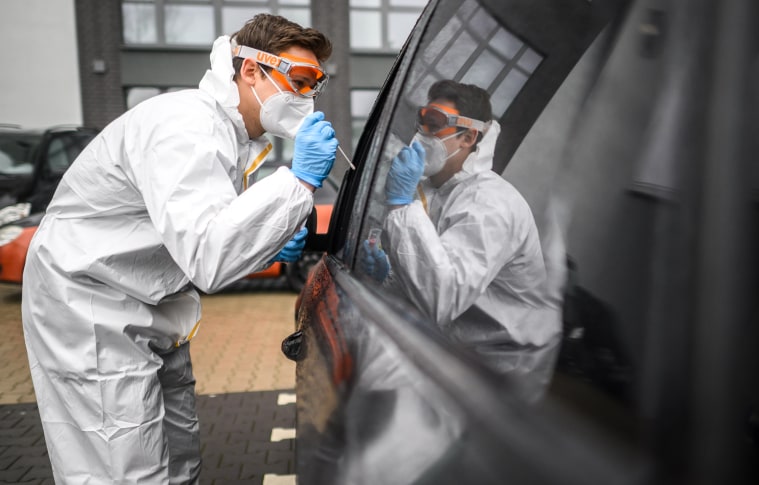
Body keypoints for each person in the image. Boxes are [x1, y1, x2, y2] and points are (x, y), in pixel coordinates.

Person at [21, 14, 336, 483]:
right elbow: (209, 256)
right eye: (300, 79)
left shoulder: (228, 133)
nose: (308, 95)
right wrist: (299, 181)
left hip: (150, 306)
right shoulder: (187, 126)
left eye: (316, 83)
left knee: (177, 452)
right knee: (122, 467)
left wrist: (269, 240)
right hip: (92, 306)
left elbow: (199, 227)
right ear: (251, 70)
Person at [362, 80, 561, 402]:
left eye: (435, 124)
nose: (422, 134)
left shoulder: (490, 204)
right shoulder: (440, 193)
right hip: (461, 360)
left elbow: (442, 296)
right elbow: (432, 276)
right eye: (422, 121)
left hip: (502, 379)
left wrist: (400, 205)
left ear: (469, 137)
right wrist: (390, 277)